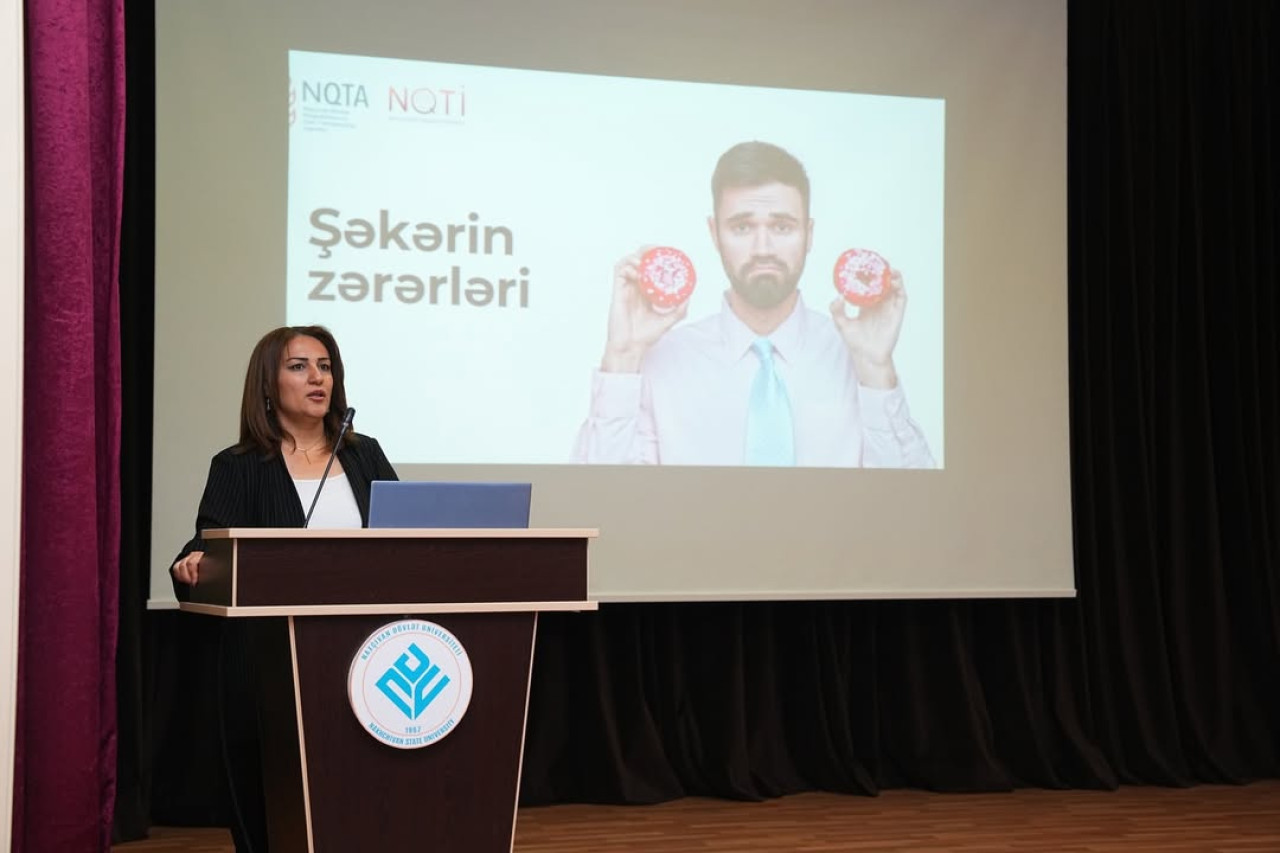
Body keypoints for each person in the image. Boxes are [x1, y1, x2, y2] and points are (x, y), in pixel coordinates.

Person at [171, 325, 398, 852]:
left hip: (365, 655)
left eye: (325, 366)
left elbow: (403, 537)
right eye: (299, 366)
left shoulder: (364, 455)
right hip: (271, 663)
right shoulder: (239, 465)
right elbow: (210, 542)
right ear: (268, 386)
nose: (318, 377)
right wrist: (195, 561)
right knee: (275, 811)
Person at [573, 141, 936, 468]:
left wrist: (876, 370)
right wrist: (622, 356)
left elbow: (913, 505)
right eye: (742, 228)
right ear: (714, 234)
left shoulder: (856, 357)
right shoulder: (662, 362)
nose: (763, 249)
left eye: (782, 227)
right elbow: (601, 501)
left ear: (809, 234)